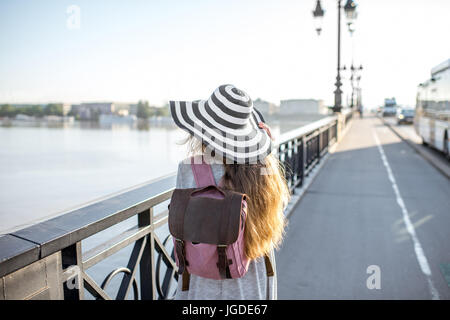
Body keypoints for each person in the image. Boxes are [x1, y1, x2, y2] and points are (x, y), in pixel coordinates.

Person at [169, 84, 290, 300]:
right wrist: (269, 153)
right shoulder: (262, 168)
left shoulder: (188, 168)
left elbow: (183, 227)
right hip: (252, 278)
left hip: (203, 281)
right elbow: (279, 205)